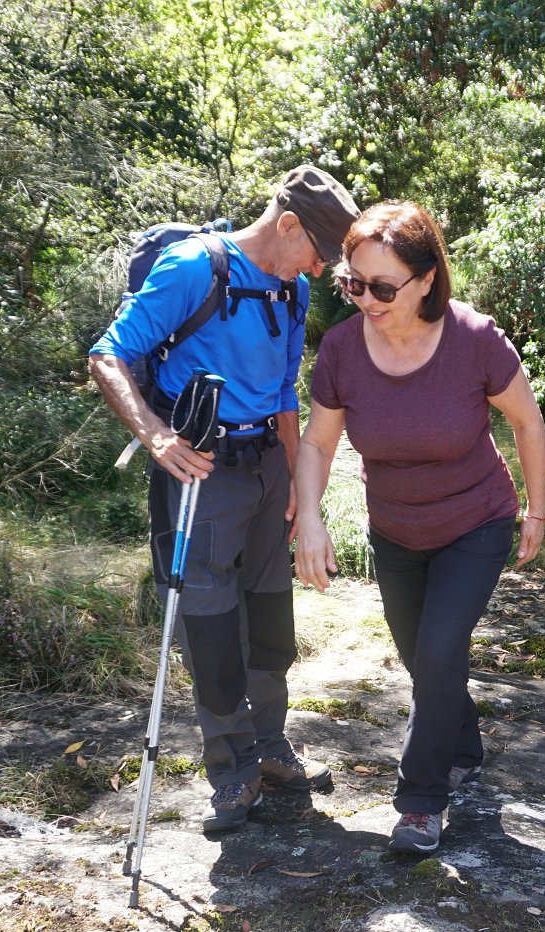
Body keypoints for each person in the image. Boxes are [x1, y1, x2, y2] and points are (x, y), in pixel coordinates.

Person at [89, 166, 359, 833]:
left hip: (268, 468)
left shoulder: (292, 290)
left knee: (269, 620)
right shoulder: (193, 268)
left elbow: (285, 389)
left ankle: (269, 747)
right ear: (288, 224)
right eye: (319, 253)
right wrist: (156, 437)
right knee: (209, 628)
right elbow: (108, 355)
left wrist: (297, 482)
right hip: (201, 471)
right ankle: (232, 773)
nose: (320, 270)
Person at [293, 200, 545, 854]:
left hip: (476, 522)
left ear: (427, 278)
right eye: (353, 283)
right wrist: (310, 519)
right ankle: (463, 743)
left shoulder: (474, 339)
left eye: (382, 288)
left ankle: (419, 803)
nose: (365, 300)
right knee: (423, 659)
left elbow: (527, 421)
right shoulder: (343, 349)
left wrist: (536, 509)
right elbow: (318, 443)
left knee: (437, 652)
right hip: (395, 531)